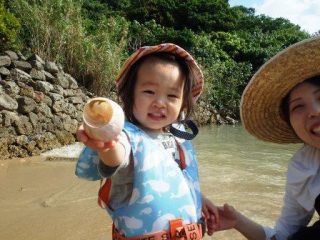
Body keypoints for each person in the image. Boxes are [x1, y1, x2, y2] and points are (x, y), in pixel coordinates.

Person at [75, 43, 218, 239]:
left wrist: (200, 199)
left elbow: (177, 179)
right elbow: (118, 157)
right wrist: (107, 144)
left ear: (183, 102)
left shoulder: (178, 140)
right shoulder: (126, 137)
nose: (160, 102)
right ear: (130, 93)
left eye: (172, 95)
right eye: (149, 91)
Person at [216, 36, 320, 240]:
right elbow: (283, 234)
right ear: (291, 124)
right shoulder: (303, 167)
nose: (314, 112)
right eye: (298, 106)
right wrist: (236, 220)